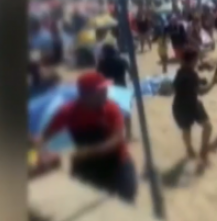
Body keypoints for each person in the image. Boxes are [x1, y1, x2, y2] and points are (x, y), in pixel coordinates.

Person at [33, 71, 138, 203]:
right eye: (101, 90)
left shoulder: (111, 108)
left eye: (106, 88)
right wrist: (41, 153)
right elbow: (45, 135)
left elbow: (116, 139)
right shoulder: (69, 112)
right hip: (86, 166)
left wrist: (88, 152)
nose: (106, 92)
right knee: (83, 200)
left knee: (127, 199)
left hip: (117, 162)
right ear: (86, 95)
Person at [172, 46, 214, 169]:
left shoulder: (181, 71)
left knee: (189, 130)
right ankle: (199, 152)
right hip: (185, 106)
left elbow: (177, 86)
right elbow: (202, 91)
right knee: (206, 127)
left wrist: (199, 80)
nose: (197, 61)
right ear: (192, 60)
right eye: (196, 59)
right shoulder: (190, 74)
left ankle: (193, 150)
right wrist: (213, 82)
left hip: (185, 105)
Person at [97, 43, 133, 139]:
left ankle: (113, 136)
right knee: (126, 113)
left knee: (110, 113)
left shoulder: (102, 62)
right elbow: (132, 73)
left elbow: (98, 76)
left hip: (108, 89)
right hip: (121, 87)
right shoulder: (122, 61)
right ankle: (128, 135)